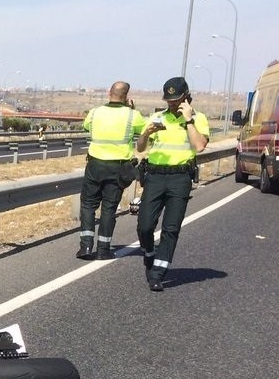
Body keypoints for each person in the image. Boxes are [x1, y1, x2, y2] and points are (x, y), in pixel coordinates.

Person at [136, 76, 210, 291]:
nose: (172, 103)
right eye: (169, 100)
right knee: (145, 225)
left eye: (176, 99)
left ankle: (158, 273)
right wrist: (146, 134)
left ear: (186, 97)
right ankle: (149, 255)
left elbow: (199, 146)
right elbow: (141, 148)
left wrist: (189, 120)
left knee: (171, 228)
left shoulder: (199, 119)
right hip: (155, 177)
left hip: (180, 178)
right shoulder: (158, 117)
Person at [76, 81, 147, 259]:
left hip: (95, 165)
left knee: (87, 205)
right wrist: (132, 109)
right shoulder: (133, 115)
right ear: (126, 97)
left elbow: (86, 126)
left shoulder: (95, 112)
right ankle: (103, 249)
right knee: (108, 208)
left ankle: (85, 247)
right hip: (118, 167)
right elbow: (144, 131)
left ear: (109, 93)